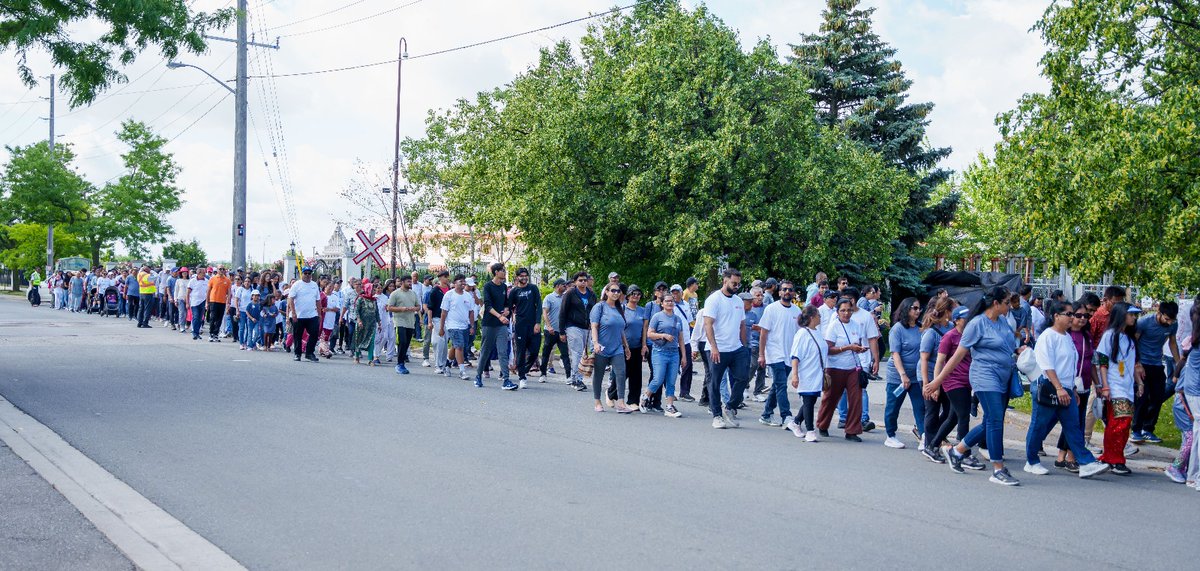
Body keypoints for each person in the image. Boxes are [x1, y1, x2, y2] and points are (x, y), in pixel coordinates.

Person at [935, 286, 1022, 486]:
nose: (1010, 306)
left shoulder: (1002, 322)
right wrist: (937, 381)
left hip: (1003, 376)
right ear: (996, 303)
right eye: (1007, 302)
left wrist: (1020, 350)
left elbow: (1007, 347)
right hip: (984, 376)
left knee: (991, 420)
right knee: (995, 420)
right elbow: (957, 356)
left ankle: (956, 452)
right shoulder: (977, 324)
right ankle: (998, 469)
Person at [1022, 299, 1111, 479]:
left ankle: (1085, 462)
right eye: (1069, 314)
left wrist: (1072, 390)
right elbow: (1047, 366)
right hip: (1049, 387)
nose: (1073, 318)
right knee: (1039, 425)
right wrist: (1059, 388)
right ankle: (1031, 461)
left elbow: (1069, 366)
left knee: (1073, 427)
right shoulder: (1048, 336)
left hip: (1066, 389)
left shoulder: (1067, 337)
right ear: (1056, 316)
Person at [923, 306, 985, 470]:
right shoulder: (949, 337)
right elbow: (939, 362)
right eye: (965, 318)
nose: (969, 320)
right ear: (956, 320)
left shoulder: (971, 336)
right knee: (963, 416)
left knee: (953, 417)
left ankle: (932, 446)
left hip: (967, 381)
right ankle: (963, 454)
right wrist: (936, 384)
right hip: (953, 382)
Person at [1096, 302, 1144, 475]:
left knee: (1125, 424)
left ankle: (1116, 456)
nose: (1134, 318)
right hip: (1115, 386)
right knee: (1118, 423)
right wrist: (1105, 386)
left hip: (1128, 387)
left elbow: (1132, 364)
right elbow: (1102, 362)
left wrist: (1139, 382)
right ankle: (1113, 458)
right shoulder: (1110, 336)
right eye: (1131, 314)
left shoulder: (1129, 338)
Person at [817, 298, 868, 441]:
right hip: (835, 367)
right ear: (837, 312)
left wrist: (859, 349)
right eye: (843, 310)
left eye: (849, 310)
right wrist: (847, 348)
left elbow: (856, 344)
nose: (846, 313)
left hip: (853, 367)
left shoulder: (856, 325)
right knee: (831, 398)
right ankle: (822, 424)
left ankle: (852, 430)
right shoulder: (833, 326)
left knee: (856, 398)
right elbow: (828, 349)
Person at [704, 269, 749, 429]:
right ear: (725, 281)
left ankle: (729, 407)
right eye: (734, 283)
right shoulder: (714, 299)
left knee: (743, 378)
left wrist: (744, 346)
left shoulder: (738, 301)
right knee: (715, 382)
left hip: (736, 348)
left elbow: (742, 325)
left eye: (738, 283)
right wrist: (714, 348)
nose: (737, 286)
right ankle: (717, 415)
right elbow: (708, 324)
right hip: (718, 348)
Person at [1132, 301, 1182, 444]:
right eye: (1167, 319)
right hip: (1142, 364)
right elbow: (1134, 342)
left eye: (1172, 320)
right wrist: (1137, 363)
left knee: (1157, 397)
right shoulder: (1144, 322)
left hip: (1157, 363)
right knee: (1141, 398)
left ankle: (1148, 429)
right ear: (1159, 313)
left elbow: (1172, 343)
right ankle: (1136, 430)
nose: (1169, 322)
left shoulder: (1173, 325)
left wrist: (1178, 363)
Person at [882, 297, 926, 449]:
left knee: (920, 406)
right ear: (906, 309)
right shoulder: (897, 329)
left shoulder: (921, 328)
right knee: (893, 406)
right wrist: (903, 375)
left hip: (915, 376)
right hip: (897, 376)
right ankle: (891, 435)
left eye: (919, 308)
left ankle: (924, 436)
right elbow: (895, 354)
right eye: (914, 308)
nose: (918, 311)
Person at [758, 280, 801, 427]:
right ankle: (786, 416)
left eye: (790, 289)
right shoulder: (771, 309)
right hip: (775, 353)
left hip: (790, 355)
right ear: (779, 292)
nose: (787, 292)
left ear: (793, 293)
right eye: (784, 289)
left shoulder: (797, 311)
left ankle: (766, 414)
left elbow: (800, 334)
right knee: (782, 385)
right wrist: (761, 354)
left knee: (777, 385)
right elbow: (763, 333)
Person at [836, 287, 880, 432]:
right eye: (845, 299)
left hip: (862, 358)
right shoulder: (836, 316)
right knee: (842, 389)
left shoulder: (865, 316)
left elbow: (872, 338)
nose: (847, 303)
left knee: (861, 388)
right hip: (841, 358)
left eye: (850, 299)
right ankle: (843, 418)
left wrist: (876, 360)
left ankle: (863, 419)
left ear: (855, 300)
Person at [919, 296, 955, 461]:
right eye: (954, 309)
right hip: (930, 376)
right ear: (947, 312)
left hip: (946, 378)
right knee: (932, 412)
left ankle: (935, 439)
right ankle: (929, 445)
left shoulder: (952, 328)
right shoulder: (931, 333)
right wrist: (928, 384)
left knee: (949, 412)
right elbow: (924, 359)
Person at [786, 305, 826, 442]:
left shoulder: (817, 332)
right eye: (818, 315)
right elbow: (795, 356)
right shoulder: (802, 333)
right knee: (808, 401)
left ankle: (795, 422)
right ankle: (810, 430)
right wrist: (795, 375)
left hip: (817, 373)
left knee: (811, 400)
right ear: (811, 317)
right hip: (807, 373)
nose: (820, 317)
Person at [590, 282, 632, 413]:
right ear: (606, 292)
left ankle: (620, 402)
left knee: (621, 373)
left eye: (618, 291)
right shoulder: (599, 307)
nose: (616, 293)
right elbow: (594, 326)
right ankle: (597, 401)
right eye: (613, 291)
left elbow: (621, 330)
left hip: (617, 348)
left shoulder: (620, 308)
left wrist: (626, 347)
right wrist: (595, 343)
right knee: (599, 375)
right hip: (602, 347)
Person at [643, 294, 686, 418]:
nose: (670, 303)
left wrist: (684, 356)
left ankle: (669, 406)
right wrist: (663, 336)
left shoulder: (678, 319)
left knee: (671, 381)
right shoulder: (657, 317)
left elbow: (681, 339)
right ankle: (645, 397)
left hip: (674, 353)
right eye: (667, 301)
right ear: (662, 304)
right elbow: (650, 334)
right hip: (660, 351)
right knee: (658, 379)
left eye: (672, 301)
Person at [476, 263, 514, 390]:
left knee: (503, 352)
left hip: (501, 325)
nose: (504, 272)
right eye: (503, 270)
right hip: (489, 324)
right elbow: (488, 305)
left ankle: (506, 380)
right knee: (485, 351)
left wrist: (507, 310)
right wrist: (500, 316)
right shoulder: (488, 286)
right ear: (496, 272)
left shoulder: (503, 287)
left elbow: (506, 303)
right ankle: (478, 376)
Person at [1174, 302, 1200, 489]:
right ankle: (1193, 475)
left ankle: (1192, 475)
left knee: (1196, 434)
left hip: (1191, 391)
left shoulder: (1193, 339)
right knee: (1195, 435)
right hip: (1193, 392)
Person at [559, 272, 595, 391]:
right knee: (577, 352)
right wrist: (562, 331)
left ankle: (578, 377)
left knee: (585, 353)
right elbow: (563, 312)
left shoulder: (591, 294)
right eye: (580, 280)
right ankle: (575, 379)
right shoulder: (570, 293)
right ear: (575, 282)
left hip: (587, 327)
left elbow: (594, 311)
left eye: (585, 280)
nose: (583, 282)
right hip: (573, 326)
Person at [507, 268, 542, 389]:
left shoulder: (533, 288)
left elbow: (539, 306)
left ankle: (523, 369)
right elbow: (509, 307)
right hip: (520, 325)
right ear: (517, 277)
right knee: (521, 352)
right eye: (521, 276)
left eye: (525, 275)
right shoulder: (514, 291)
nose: (524, 278)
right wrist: (509, 318)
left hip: (533, 324)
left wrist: (538, 322)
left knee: (534, 351)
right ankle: (522, 377)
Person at [613, 285, 647, 407]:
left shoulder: (642, 311)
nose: (636, 296)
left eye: (638, 294)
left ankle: (633, 401)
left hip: (637, 346)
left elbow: (644, 329)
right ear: (628, 295)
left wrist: (644, 345)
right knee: (622, 372)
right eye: (633, 294)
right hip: (623, 346)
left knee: (636, 375)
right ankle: (612, 393)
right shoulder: (622, 309)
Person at [439, 275, 476, 381]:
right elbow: (444, 312)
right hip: (452, 325)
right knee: (459, 346)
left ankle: (447, 365)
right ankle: (462, 371)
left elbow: (471, 312)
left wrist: (472, 326)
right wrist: (442, 327)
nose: (463, 283)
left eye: (464, 281)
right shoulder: (449, 295)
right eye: (461, 281)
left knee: (456, 346)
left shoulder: (468, 296)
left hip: (464, 325)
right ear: (455, 283)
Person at [539, 279, 571, 381]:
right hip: (550, 331)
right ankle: (543, 374)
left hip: (562, 331)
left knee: (565, 354)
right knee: (546, 353)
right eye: (563, 285)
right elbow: (545, 313)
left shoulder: (566, 298)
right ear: (557, 286)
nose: (565, 287)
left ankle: (568, 376)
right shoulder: (549, 298)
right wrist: (548, 326)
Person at [388, 275, 421, 374]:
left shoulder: (413, 293)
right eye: (408, 281)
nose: (410, 283)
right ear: (402, 282)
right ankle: (399, 364)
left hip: (410, 322)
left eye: (410, 282)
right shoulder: (395, 294)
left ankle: (402, 362)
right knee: (402, 341)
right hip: (399, 321)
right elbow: (389, 307)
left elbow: (418, 306)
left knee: (406, 343)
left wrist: (414, 309)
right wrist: (401, 309)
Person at [288, 266, 321, 363]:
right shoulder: (297, 285)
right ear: (301, 274)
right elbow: (291, 299)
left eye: (309, 273)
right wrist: (293, 313)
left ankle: (309, 353)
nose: (307, 275)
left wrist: (319, 314)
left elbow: (318, 300)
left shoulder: (314, 285)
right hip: (299, 315)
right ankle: (297, 354)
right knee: (298, 335)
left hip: (312, 315)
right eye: (305, 273)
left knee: (314, 333)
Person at [428, 271, 450, 374]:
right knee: (439, 342)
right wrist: (429, 321)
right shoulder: (435, 291)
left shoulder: (450, 290)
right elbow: (430, 308)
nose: (447, 279)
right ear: (440, 278)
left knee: (445, 342)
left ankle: (444, 363)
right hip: (437, 318)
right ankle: (438, 364)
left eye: (447, 277)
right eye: (445, 277)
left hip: (448, 319)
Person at [353, 282, 378, 365]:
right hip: (362, 324)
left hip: (371, 325)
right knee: (358, 340)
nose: (374, 291)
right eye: (373, 290)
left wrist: (379, 322)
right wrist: (359, 320)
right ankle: (356, 357)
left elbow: (376, 312)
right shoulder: (360, 299)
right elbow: (356, 311)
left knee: (371, 341)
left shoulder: (374, 300)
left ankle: (370, 359)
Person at [207, 266, 232, 342]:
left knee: (219, 319)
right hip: (213, 301)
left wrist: (228, 303)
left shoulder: (227, 280)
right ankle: (211, 333)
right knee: (213, 318)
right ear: (217, 270)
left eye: (223, 269)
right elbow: (208, 291)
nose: (221, 270)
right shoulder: (212, 279)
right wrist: (207, 302)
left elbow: (229, 292)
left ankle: (216, 334)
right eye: (220, 269)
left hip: (222, 302)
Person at [375, 280, 396, 365]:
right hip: (376, 320)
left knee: (386, 337)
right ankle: (375, 355)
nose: (379, 289)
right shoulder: (373, 297)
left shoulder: (385, 297)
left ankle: (381, 353)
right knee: (377, 338)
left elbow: (388, 308)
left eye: (380, 288)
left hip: (386, 319)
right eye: (377, 288)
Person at [187, 268, 209, 340]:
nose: (204, 274)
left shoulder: (206, 281)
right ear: (199, 273)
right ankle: (194, 332)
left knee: (200, 318)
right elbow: (188, 293)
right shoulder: (192, 281)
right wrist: (187, 302)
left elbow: (208, 292)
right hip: (194, 302)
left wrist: (207, 302)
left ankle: (197, 333)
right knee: (195, 317)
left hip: (203, 301)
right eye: (203, 273)